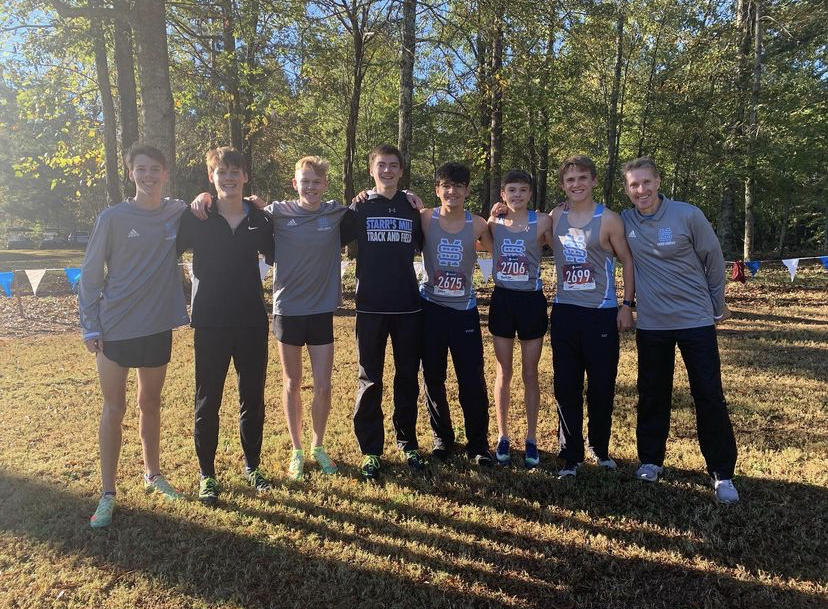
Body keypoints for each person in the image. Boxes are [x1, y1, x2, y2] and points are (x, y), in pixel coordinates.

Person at [79, 143, 191, 528]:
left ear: (165, 174)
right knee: (114, 409)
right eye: (141, 169)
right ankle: (107, 492)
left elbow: (209, 205)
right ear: (131, 173)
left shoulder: (177, 212)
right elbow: (91, 275)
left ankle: (153, 473)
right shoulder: (112, 218)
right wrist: (90, 325)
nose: (148, 175)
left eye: (155, 169)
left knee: (151, 403)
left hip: (157, 326)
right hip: (114, 329)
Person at [620, 156, 739, 503]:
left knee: (708, 394)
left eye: (646, 182)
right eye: (633, 185)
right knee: (653, 393)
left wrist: (716, 305)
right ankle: (651, 461)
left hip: (695, 321)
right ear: (627, 190)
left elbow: (714, 260)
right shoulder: (624, 220)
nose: (640, 190)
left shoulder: (688, 214)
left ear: (658, 182)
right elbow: (581, 216)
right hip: (653, 324)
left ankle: (721, 473)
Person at [177, 146, 275, 506]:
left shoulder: (261, 220)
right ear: (212, 177)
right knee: (208, 400)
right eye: (222, 172)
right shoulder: (197, 217)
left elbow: (285, 250)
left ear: (245, 177)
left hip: (251, 320)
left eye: (235, 171)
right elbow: (165, 249)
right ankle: (208, 474)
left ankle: (253, 467)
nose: (229, 178)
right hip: (210, 322)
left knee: (253, 398)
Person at [262, 156, 350, 481]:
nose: (311, 187)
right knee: (292, 383)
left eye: (317, 182)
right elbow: (243, 212)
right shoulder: (277, 212)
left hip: (321, 312)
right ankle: (296, 449)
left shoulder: (335, 212)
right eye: (305, 181)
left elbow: (367, 208)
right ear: (295, 183)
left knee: (324, 386)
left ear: (325, 184)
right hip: (287, 311)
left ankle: (317, 445)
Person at [344, 143, 426, 482]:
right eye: (381, 165)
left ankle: (407, 442)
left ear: (401, 170)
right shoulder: (360, 207)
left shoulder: (411, 207)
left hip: (408, 305)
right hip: (370, 305)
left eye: (393, 165)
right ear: (371, 169)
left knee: (407, 376)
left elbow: (431, 237)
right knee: (370, 377)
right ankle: (371, 451)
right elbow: (325, 235)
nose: (387, 170)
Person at [549, 155, 634, 478]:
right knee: (566, 386)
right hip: (565, 313)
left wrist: (627, 304)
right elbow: (520, 228)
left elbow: (627, 260)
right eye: (570, 180)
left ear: (594, 181)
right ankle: (570, 454)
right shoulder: (556, 216)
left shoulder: (609, 219)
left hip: (601, 313)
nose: (577, 185)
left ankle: (599, 446)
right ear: (563, 185)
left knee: (601, 386)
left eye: (583, 178)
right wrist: (498, 211)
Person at [419, 162, 494, 465]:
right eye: (445, 186)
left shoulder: (477, 224)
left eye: (458, 186)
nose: (452, 191)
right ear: (437, 190)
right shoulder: (425, 218)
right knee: (433, 377)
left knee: (471, 380)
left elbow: (496, 249)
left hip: (464, 311)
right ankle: (442, 438)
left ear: (467, 191)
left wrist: (501, 215)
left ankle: (478, 443)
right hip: (430, 309)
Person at [488, 170, 553, 468]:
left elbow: (564, 244)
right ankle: (503, 435)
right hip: (502, 299)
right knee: (504, 372)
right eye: (511, 190)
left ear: (530, 195)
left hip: (531, 301)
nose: (516, 195)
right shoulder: (494, 223)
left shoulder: (542, 222)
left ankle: (531, 439)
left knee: (530, 373)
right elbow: (480, 244)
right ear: (503, 194)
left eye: (522, 190)